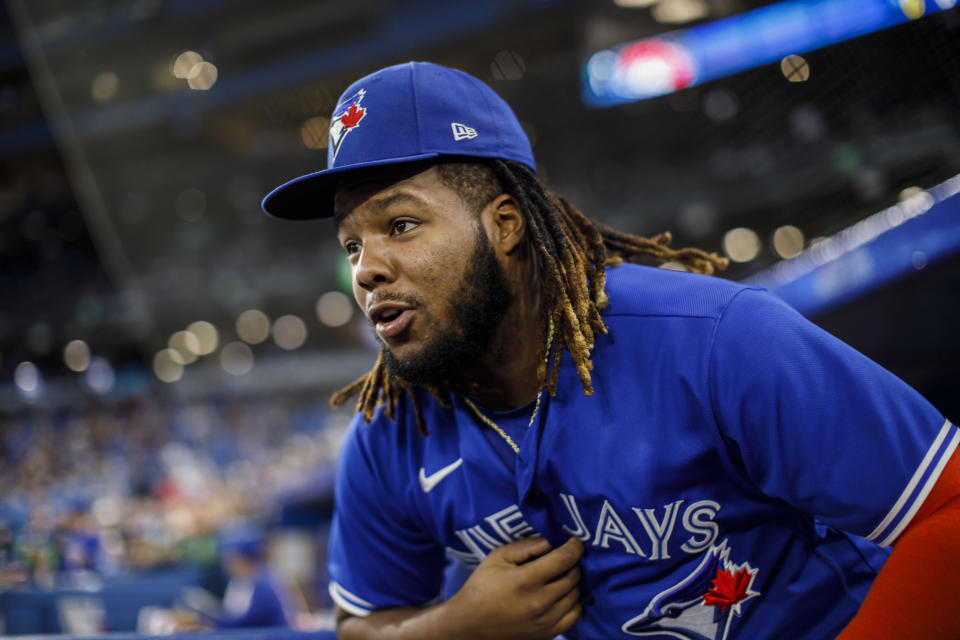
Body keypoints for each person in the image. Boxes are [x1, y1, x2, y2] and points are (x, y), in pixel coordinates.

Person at [261, 61, 960, 639]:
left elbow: (946, 511)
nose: (366, 268)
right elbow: (360, 622)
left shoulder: (714, 338)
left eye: (402, 224)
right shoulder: (390, 431)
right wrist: (451, 628)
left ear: (505, 226)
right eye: (351, 244)